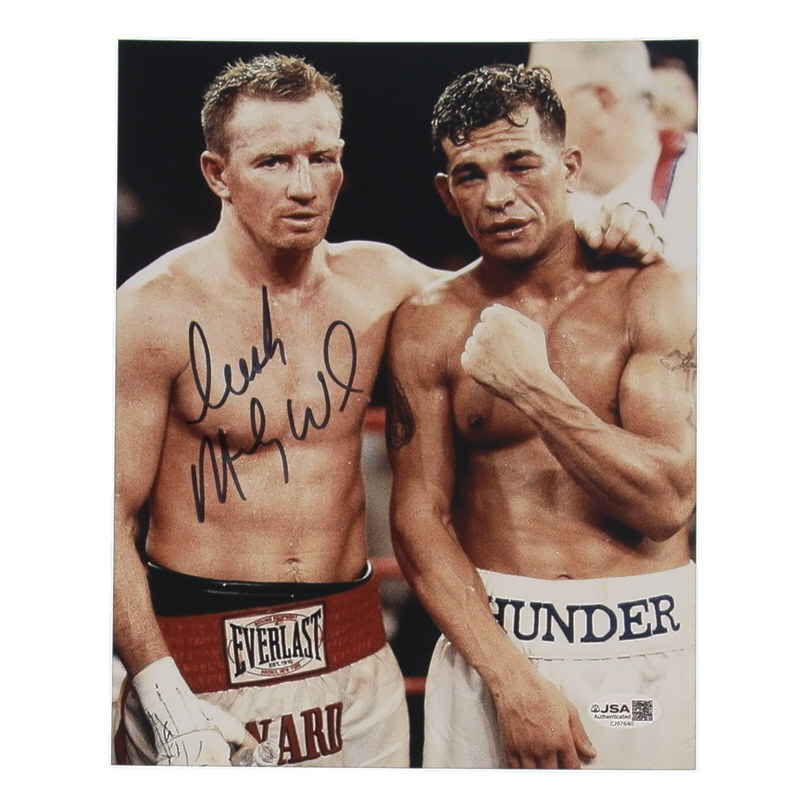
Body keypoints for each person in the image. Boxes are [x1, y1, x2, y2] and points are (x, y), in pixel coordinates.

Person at [114, 53, 663, 768]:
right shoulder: (150, 312)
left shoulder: (381, 283)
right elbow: (103, 515)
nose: (304, 185)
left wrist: (594, 215)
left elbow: (513, 285)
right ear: (218, 173)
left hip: (356, 653)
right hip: (203, 659)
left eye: (322, 158)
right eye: (273, 162)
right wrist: (158, 687)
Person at [386, 64, 696, 769]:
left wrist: (531, 386)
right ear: (447, 193)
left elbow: (665, 502)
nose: (498, 196)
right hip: (494, 645)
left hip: (642, 655)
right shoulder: (429, 323)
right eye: (470, 175)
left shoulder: (654, 293)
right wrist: (511, 680)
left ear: (570, 167)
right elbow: (418, 520)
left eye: (521, 164)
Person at [528, 41, 697, 273]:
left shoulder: (698, 173)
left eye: (543, 100)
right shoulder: (550, 203)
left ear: (600, 103)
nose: (530, 118)